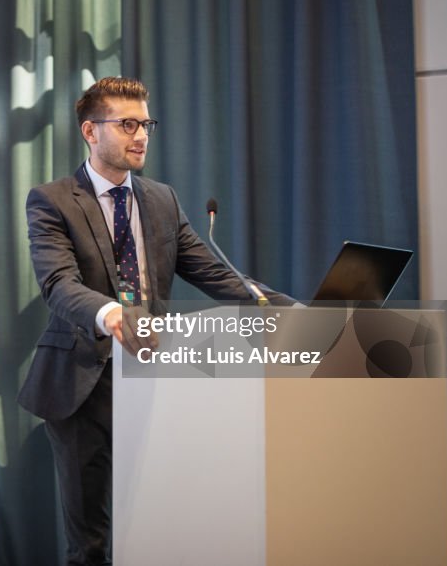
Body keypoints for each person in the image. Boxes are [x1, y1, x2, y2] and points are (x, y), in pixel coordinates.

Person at [18, 76, 292, 565]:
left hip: (156, 377)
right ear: (90, 130)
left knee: (158, 525)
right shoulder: (53, 200)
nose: (140, 134)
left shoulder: (161, 198)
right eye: (126, 124)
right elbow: (59, 284)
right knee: (91, 544)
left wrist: (288, 308)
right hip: (84, 384)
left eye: (145, 123)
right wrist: (113, 313)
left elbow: (212, 272)